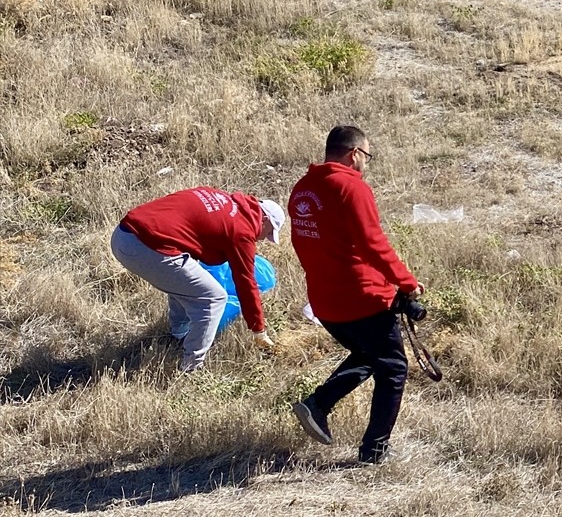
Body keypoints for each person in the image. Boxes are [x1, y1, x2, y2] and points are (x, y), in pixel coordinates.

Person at [288, 125, 424, 464]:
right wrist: (406, 282)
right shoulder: (351, 187)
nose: (367, 165)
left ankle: (318, 404)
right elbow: (373, 243)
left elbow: (302, 243)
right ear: (355, 154)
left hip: (324, 301)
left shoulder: (303, 189)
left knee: (369, 354)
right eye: (368, 156)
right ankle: (373, 452)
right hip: (362, 298)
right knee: (393, 368)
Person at [110, 187, 284, 372]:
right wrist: (259, 330)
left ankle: (179, 333)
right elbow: (246, 283)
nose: (263, 239)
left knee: (187, 277)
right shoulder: (242, 231)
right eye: (268, 233)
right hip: (144, 247)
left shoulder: (217, 196)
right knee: (214, 298)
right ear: (264, 219)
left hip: (122, 233)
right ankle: (192, 367)